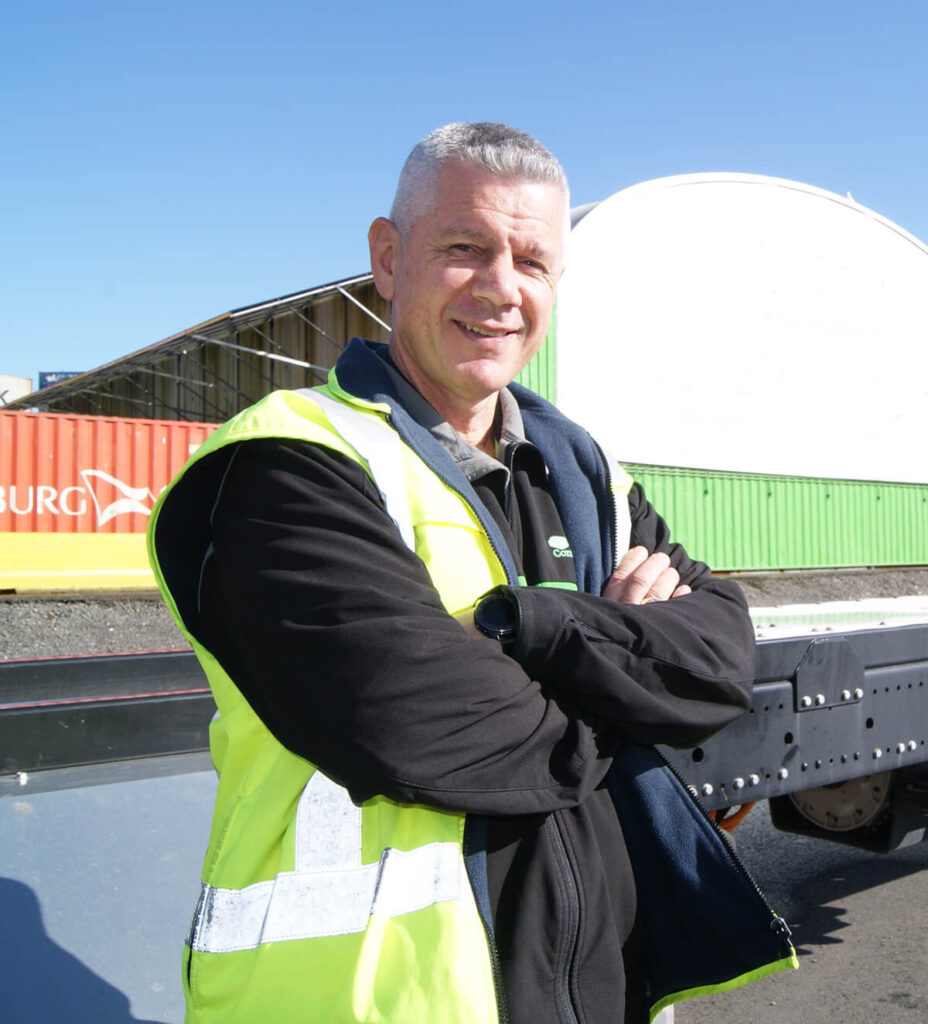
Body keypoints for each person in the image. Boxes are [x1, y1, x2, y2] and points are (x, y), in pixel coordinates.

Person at [149, 122, 797, 1024]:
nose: (502, 288)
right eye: (466, 248)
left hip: (593, 994)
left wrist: (532, 631)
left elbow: (722, 657)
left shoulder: (583, 471)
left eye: (533, 261)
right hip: (362, 1002)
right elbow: (428, 732)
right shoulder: (288, 465)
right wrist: (628, 680)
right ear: (388, 256)